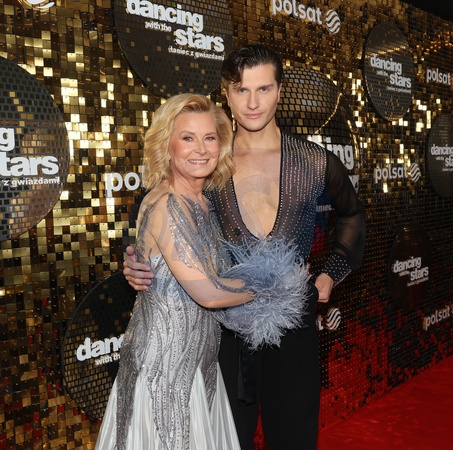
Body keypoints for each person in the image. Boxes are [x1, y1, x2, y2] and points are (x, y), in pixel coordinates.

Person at [123, 45, 366, 450]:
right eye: (241, 90)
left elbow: (353, 215)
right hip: (225, 328)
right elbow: (158, 212)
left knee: (294, 438)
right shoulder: (209, 160)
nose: (252, 103)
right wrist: (137, 260)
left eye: (263, 89)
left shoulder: (313, 160)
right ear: (226, 94)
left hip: (293, 322)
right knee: (227, 439)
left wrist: (330, 274)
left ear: (280, 90)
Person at [96, 92, 309, 450]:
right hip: (164, 371)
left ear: (221, 144)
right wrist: (276, 285)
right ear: (167, 146)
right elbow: (209, 293)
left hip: (199, 365)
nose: (200, 149)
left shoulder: (204, 201)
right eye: (187, 137)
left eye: (209, 137)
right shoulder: (167, 203)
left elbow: (214, 271)